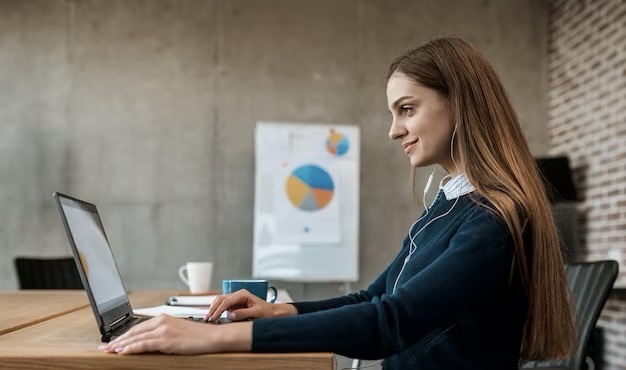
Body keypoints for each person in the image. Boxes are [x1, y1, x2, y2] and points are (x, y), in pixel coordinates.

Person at [99, 37, 576, 369]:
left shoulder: (493, 219)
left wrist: (213, 337)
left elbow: (392, 323)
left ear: (462, 103)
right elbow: (372, 299)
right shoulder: (449, 207)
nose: (394, 130)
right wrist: (279, 313)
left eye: (406, 109)